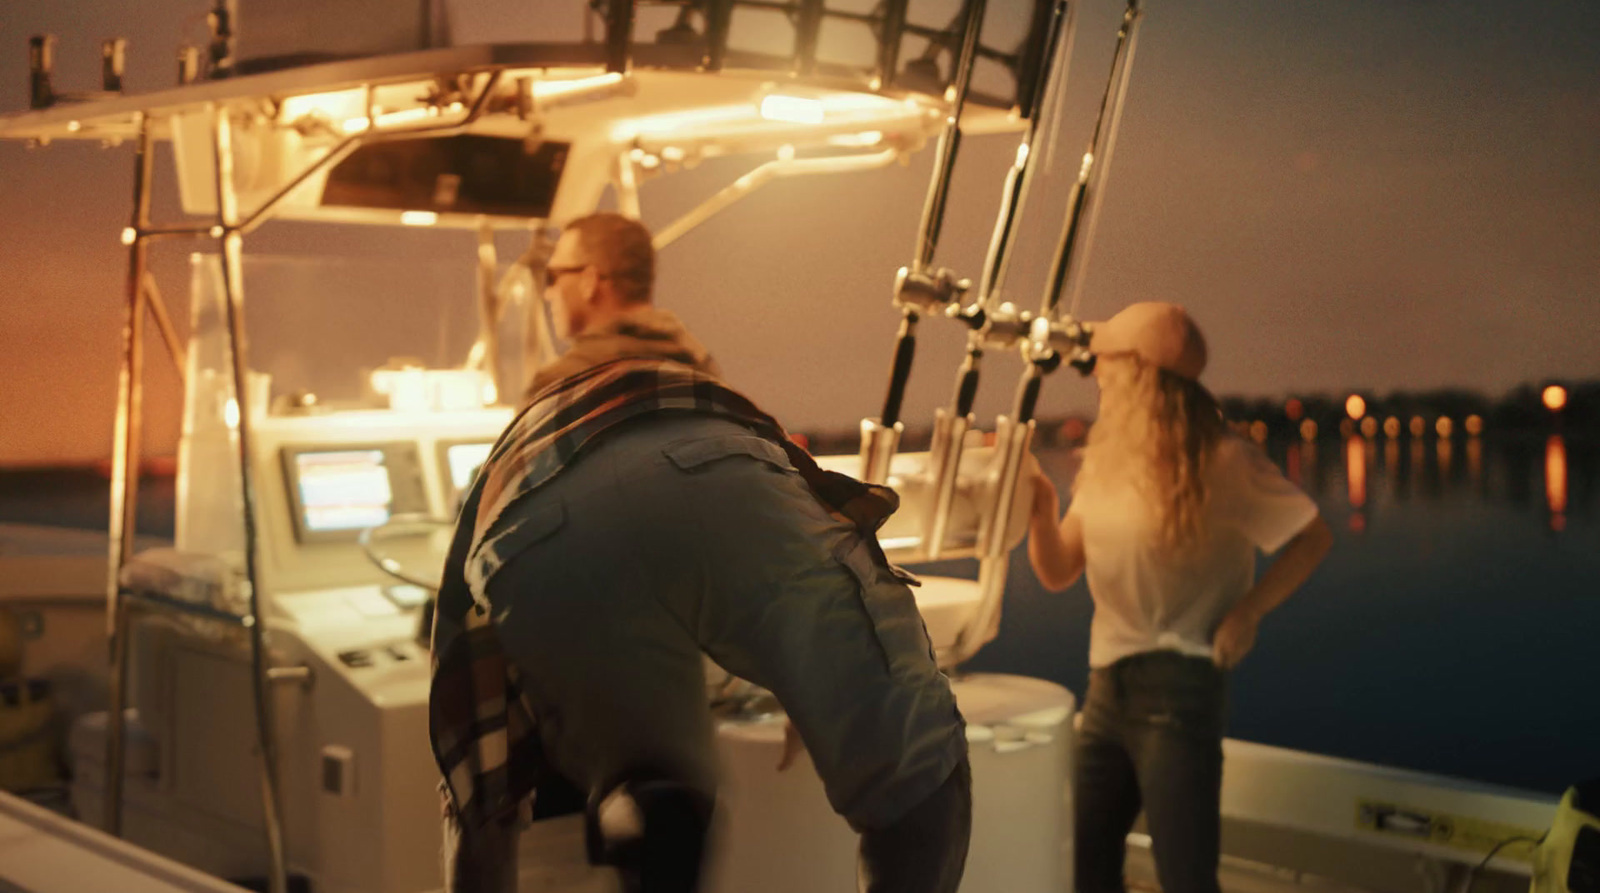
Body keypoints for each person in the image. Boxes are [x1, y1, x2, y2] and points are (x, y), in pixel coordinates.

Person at [429, 212, 971, 893]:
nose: (547, 290)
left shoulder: (555, 386)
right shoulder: (697, 365)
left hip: (541, 532)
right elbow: (732, 522)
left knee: (651, 778)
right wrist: (806, 671)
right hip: (733, 497)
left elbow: (487, 585)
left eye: (553, 275)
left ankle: (643, 791)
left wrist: (478, 817)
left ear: (593, 281)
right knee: (920, 771)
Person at [1026, 302, 1333, 893]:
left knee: (1185, 877)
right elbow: (1059, 569)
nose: (1097, 374)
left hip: (1182, 688)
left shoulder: (1223, 461)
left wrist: (1248, 612)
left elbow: (1312, 538)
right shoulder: (1105, 462)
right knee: (1084, 868)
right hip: (1106, 686)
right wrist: (1041, 507)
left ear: (1142, 371)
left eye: (1109, 361)